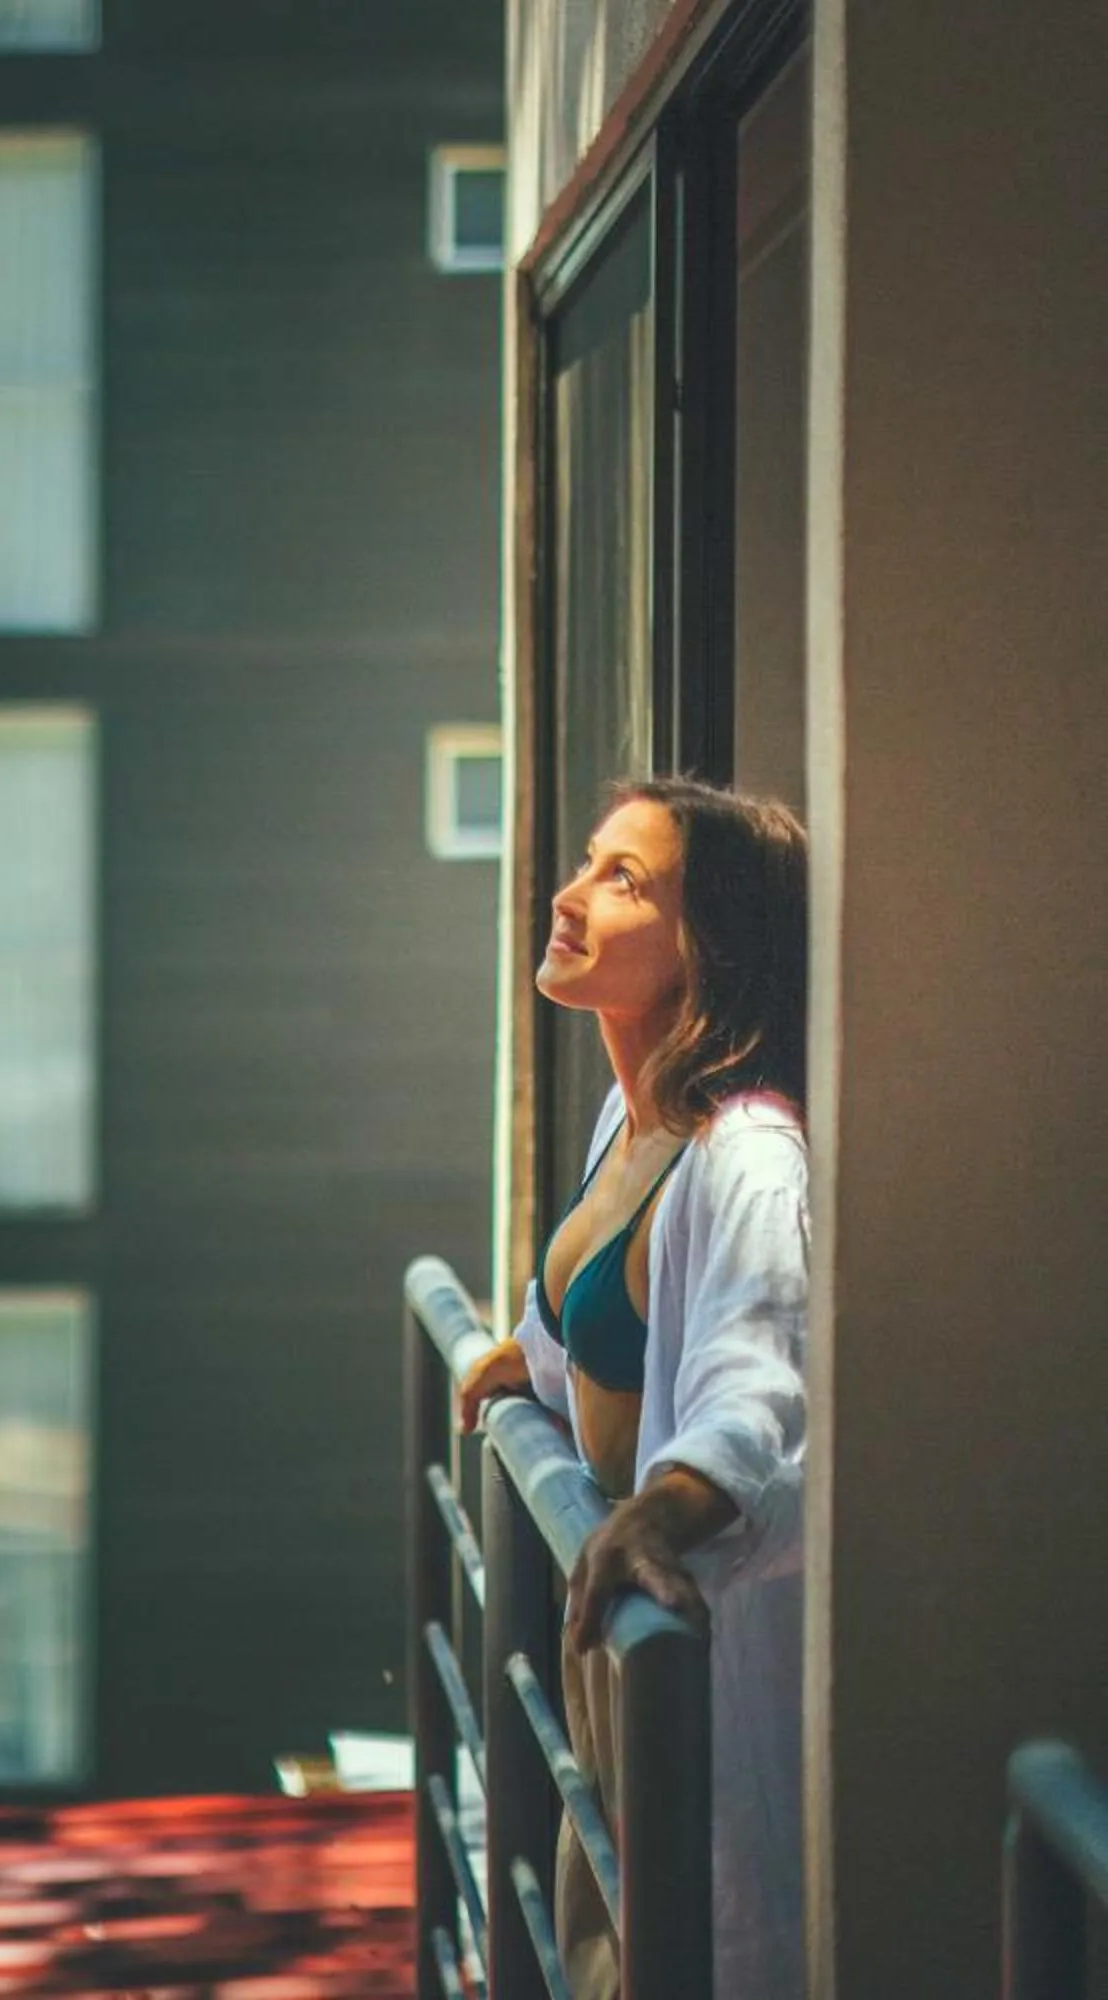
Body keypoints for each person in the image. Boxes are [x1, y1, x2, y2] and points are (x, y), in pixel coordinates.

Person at [454, 776, 811, 2000]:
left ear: (706, 937)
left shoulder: (750, 1155)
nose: (569, 896)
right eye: (588, 862)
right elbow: (611, 1326)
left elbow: (765, 1386)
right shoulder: (631, 1113)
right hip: (605, 1643)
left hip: (676, 1651)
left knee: (665, 1949)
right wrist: (533, 1350)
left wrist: (659, 1512)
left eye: (624, 879)